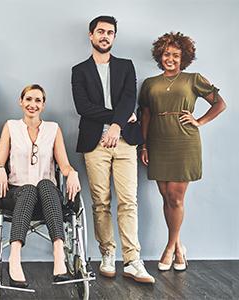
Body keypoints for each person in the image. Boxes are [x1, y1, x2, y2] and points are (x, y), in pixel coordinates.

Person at [71, 16, 154, 283]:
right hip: (95, 144)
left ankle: (132, 260)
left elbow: (130, 98)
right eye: (101, 31)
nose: (105, 36)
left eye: (110, 32)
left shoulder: (126, 66)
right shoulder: (79, 70)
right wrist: (118, 117)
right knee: (101, 202)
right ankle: (107, 253)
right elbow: (83, 107)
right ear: (91, 35)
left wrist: (118, 126)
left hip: (126, 142)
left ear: (114, 37)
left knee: (129, 201)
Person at [139, 32, 226, 272]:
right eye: (167, 54)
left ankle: (169, 247)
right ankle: (179, 246)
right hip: (157, 140)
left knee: (176, 198)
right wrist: (144, 144)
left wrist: (199, 120)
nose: (171, 58)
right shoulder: (150, 84)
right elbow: (145, 115)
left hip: (184, 142)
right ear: (160, 55)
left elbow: (220, 103)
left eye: (176, 55)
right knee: (165, 196)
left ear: (183, 58)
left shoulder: (192, 79)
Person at [0, 84, 81, 287]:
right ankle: (14, 258)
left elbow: (64, 165)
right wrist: (0, 169)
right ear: (21, 102)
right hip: (16, 194)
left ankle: (59, 254)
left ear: (43, 104)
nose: (33, 104)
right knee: (30, 189)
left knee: (44, 184)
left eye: (38, 100)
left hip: (47, 198)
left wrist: (73, 173)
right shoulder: (11, 126)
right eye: (29, 99)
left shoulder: (53, 129)